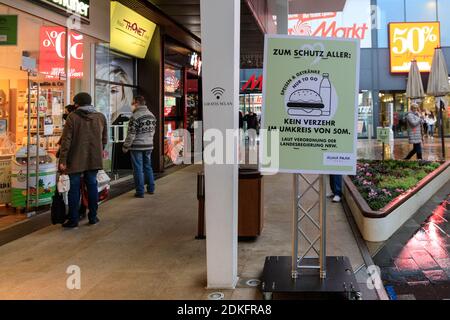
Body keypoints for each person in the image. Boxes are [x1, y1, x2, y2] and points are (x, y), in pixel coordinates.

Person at [59, 92, 108, 228]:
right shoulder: (100, 117)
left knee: (74, 189)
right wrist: (98, 150)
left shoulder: (72, 117)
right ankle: (93, 217)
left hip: (75, 159)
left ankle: (73, 220)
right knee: (92, 186)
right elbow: (104, 139)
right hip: (94, 159)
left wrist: (63, 159)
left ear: (77, 103)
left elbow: (66, 141)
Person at [122, 96, 157, 198]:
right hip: (149, 145)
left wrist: (125, 146)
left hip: (137, 146)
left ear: (137, 103)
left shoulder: (135, 116)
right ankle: (151, 188)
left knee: (138, 169)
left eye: (133, 103)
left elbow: (131, 134)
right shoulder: (151, 115)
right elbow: (153, 132)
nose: (132, 105)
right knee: (148, 166)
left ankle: (140, 191)